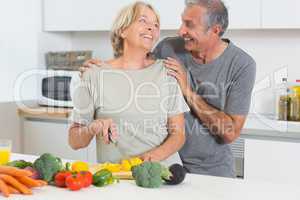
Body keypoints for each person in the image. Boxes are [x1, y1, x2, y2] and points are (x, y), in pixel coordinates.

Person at [83, 0, 256, 178]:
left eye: (190, 25)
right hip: (166, 166)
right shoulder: (169, 47)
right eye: (182, 22)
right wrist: (101, 68)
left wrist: (187, 90)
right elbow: (134, 63)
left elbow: (230, 132)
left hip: (214, 171)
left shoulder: (241, 64)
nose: (181, 31)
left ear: (215, 30)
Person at [68, 1, 190, 166]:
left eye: (156, 24)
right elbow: (75, 141)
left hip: (163, 176)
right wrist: (92, 127)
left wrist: (149, 159)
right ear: (122, 30)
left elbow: (179, 134)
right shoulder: (94, 74)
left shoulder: (166, 71)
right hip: (116, 180)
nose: (151, 28)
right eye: (143, 20)